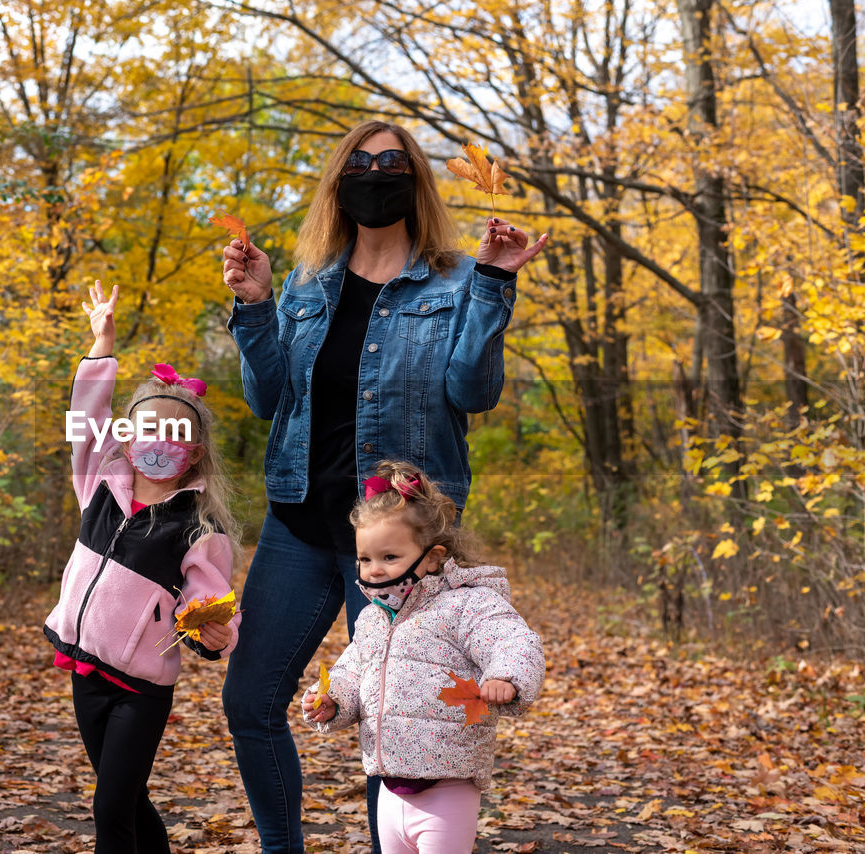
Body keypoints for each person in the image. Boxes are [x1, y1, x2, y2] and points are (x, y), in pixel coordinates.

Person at [220, 118, 547, 852]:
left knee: (395, 712)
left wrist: (494, 283)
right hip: (300, 521)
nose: (375, 174)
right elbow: (267, 399)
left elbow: (473, 389)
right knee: (251, 701)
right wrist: (254, 303)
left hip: (400, 536)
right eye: (360, 164)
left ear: (414, 181)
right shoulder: (305, 284)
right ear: (340, 183)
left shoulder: (460, 279)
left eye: (391, 163)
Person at [43, 281, 241, 854]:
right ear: (126, 439)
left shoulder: (199, 533)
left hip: (141, 689)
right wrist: (101, 348)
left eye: (174, 435)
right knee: (126, 798)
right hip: (85, 670)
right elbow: (84, 418)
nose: (158, 441)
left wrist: (215, 631)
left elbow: (210, 609)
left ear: (195, 452)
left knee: (110, 805)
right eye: (145, 430)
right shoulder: (97, 487)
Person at [301, 461, 544, 854]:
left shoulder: (465, 604)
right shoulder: (372, 619)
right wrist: (332, 700)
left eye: (390, 557)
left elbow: (513, 640)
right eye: (365, 559)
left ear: (432, 557)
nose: (374, 570)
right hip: (389, 787)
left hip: (447, 787)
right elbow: (350, 671)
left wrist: (507, 677)